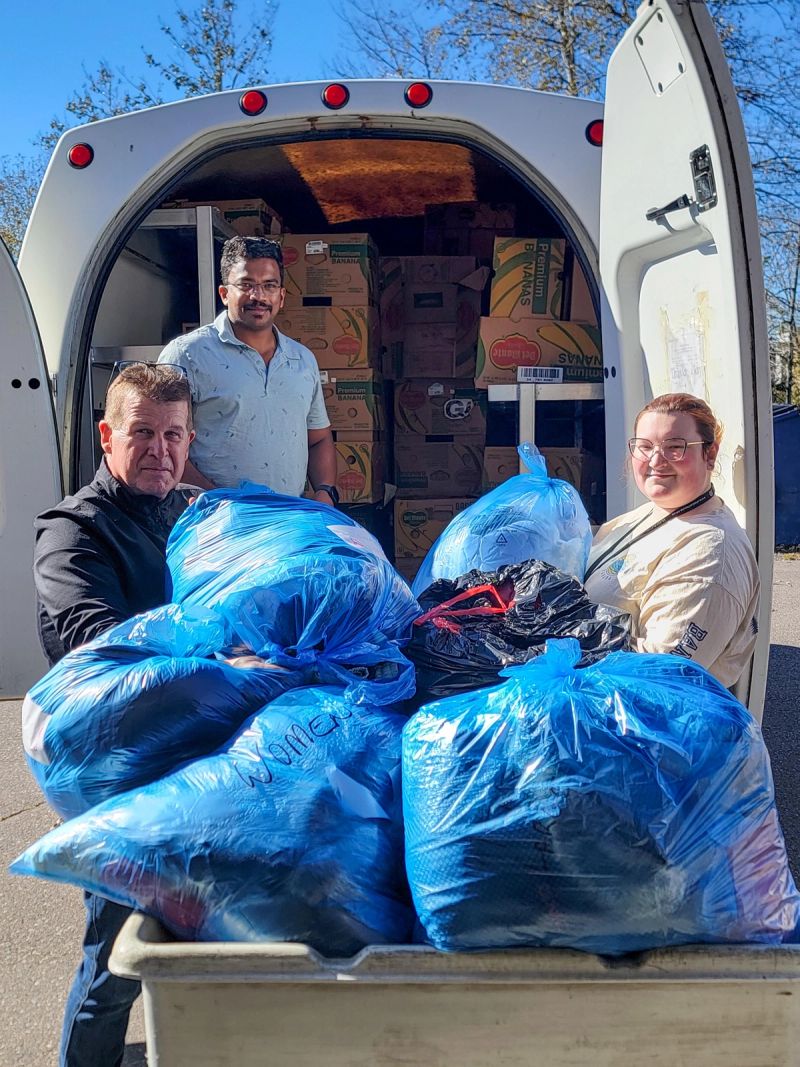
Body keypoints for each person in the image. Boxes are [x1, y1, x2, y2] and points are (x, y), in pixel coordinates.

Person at [32, 363, 196, 1067]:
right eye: (143, 433)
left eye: (174, 434)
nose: (160, 450)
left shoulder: (195, 512)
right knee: (116, 957)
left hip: (194, 759)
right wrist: (221, 654)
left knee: (196, 947)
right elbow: (92, 638)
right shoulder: (73, 532)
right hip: (117, 771)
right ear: (107, 435)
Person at [583, 393, 759, 688]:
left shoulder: (711, 553)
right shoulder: (648, 515)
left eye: (674, 447)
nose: (655, 460)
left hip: (630, 726)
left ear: (710, 454)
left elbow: (657, 678)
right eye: (644, 447)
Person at [158, 234, 339, 505]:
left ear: (281, 296)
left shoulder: (302, 361)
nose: (259, 296)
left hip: (287, 522)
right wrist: (216, 500)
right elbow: (163, 444)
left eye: (269, 285)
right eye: (246, 285)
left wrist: (325, 492)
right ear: (224, 293)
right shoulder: (187, 355)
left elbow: (318, 438)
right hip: (213, 523)